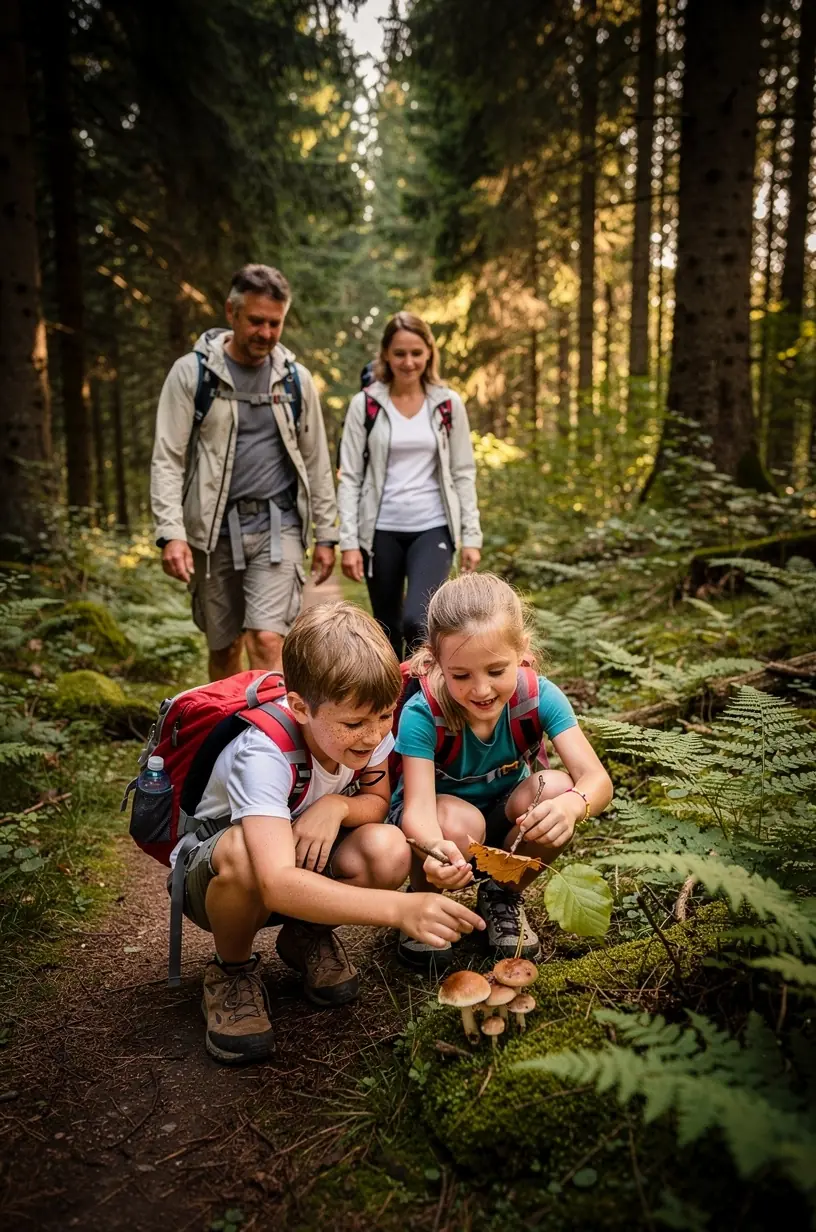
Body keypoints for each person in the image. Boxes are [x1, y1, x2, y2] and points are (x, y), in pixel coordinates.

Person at [170, 600, 484, 1064]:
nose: (373, 736)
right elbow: (275, 882)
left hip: (297, 859)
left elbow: (376, 802)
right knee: (243, 853)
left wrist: (336, 805)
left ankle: (306, 936)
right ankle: (231, 972)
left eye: (384, 717)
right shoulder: (263, 754)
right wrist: (401, 909)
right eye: (354, 724)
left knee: (387, 847)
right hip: (222, 880)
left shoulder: (370, 726)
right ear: (301, 707)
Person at [391, 572, 613, 969]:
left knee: (558, 789)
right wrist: (433, 848)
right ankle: (424, 900)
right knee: (458, 822)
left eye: (496, 671)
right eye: (461, 676)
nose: (481, 690)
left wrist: (572, 806)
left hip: (504, 820)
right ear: (435, 660)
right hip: (442, 832)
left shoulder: (540, 697)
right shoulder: (422, 714)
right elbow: (418, 808)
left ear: (521, 650)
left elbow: (596, 780)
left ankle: (502, 893)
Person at [151, 264, 338, 681]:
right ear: (231, 312)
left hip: (278, 524)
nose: (266, 333)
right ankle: (229, 724)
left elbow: (316, 462)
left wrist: (327, 535)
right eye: (256, 321)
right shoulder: (193, 374)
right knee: (224, 650)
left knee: (267, 640)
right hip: (212, 530)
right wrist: (171, 533)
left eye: (275, 323)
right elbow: (168, 457)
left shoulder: (295, 381)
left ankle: (269, 725)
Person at [337, 312, 482, 661]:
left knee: (419, 621)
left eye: (416, 353)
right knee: (386, 628)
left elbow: (463, 471)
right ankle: (392, 696)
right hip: (380, 530)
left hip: (432, 526)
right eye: (400, 353)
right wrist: (349, 542)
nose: (409, 362)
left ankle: (422, 695)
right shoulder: (366, 405)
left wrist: (471, 536)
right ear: (386, 355)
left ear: (429, 353)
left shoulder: (447, 404)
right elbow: (350, 476)